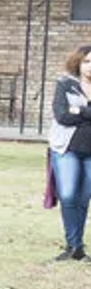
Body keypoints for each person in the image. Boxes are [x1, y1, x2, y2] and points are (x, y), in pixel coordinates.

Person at [49, 44, 91, 260]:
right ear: (79, 63)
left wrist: (79, 111)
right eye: (87, 62)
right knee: (68, 195)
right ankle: (72, 245)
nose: (90, 67)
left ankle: (78, 248)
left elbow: (72, 113)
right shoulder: (66, 84)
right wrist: (87, 112)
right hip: (67, 148)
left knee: (84, 198)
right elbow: (62, 115)